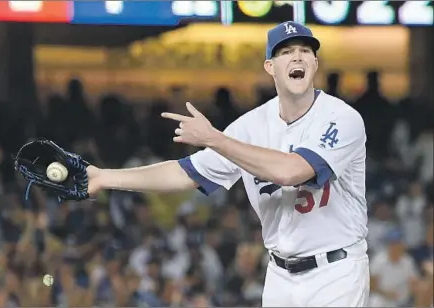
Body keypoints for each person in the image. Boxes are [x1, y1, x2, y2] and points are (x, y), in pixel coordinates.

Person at [87, 21, 369, 307]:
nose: (297, 57)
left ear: (315, 63)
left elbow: (291, 171)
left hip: (337, 271)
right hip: (280, 276)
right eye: (286, 52)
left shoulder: (341, 118)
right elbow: (185, 173)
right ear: (270, 67)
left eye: (304, 51)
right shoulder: (251, 126)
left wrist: (215, 140)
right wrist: (104, 177)